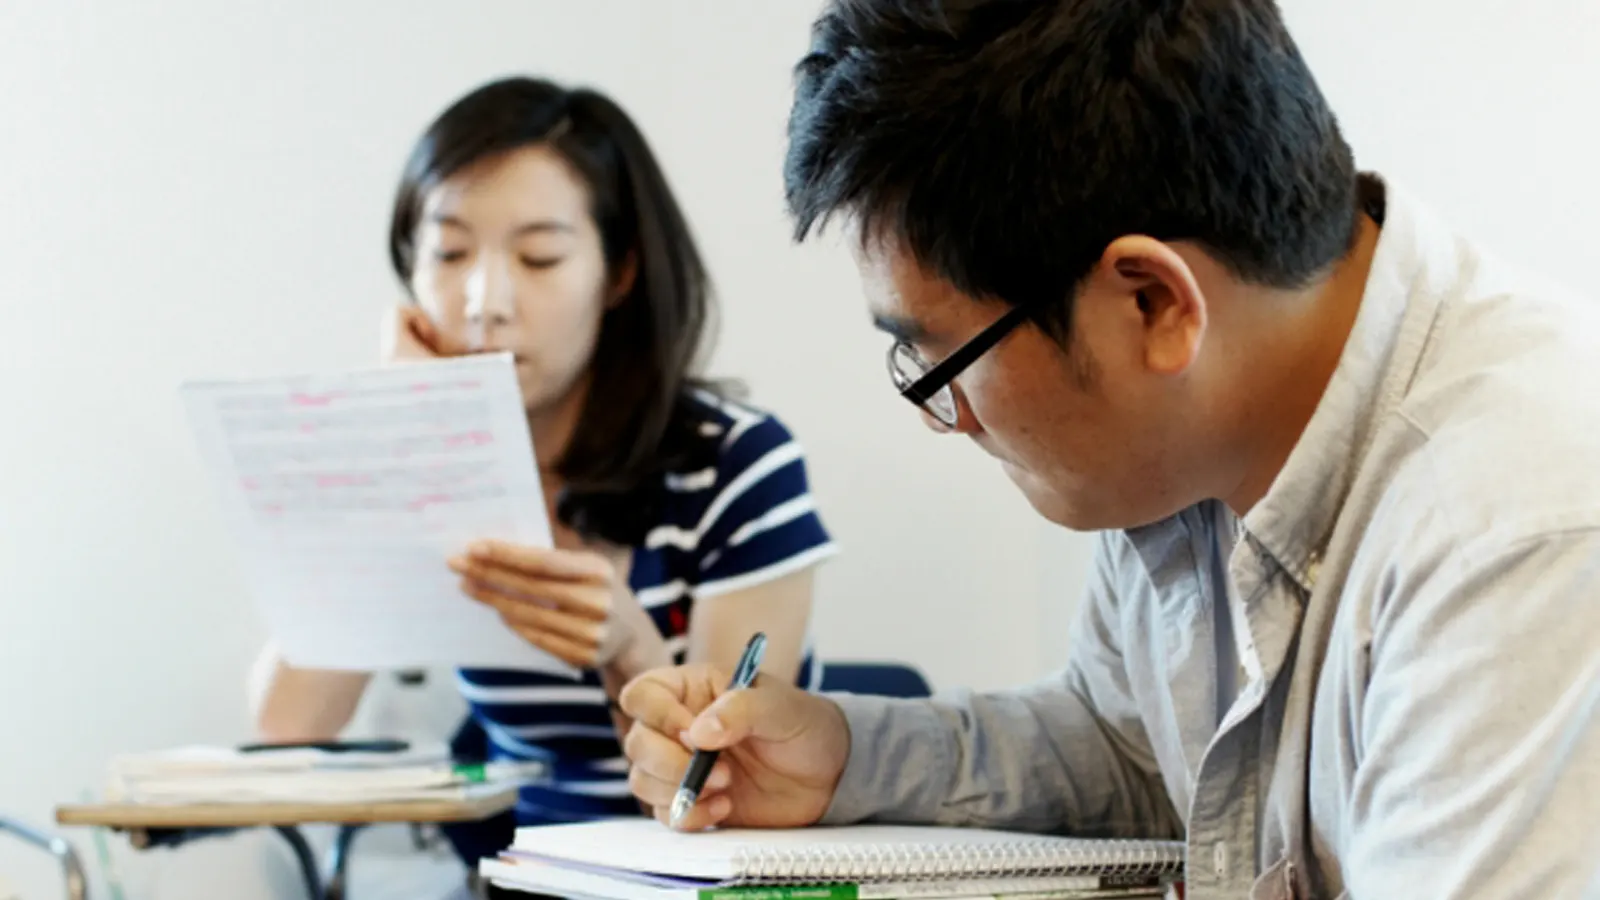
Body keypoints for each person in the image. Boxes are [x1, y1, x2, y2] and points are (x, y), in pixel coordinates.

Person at [617, 1, 1600, 898]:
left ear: (1153, 303)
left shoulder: (1514, 526)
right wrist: (843, 757)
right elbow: (1133, 748)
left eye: (938, 361)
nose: (942, 417)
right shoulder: (1199, 434)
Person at [248, 75, 837, 861]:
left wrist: (628, 648)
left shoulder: (736, 464)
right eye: (448, 253)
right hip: (522, 872)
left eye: (539, 257)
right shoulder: (441, 474)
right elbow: (290, 723)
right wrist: (399, 442)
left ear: (619, 273)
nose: (485, 301)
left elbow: (720, 789)